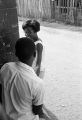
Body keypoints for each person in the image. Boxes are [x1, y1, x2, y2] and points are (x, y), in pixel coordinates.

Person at [0, 37, 50, 120]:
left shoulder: (6, 68)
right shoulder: (37, 83)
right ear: (34, 54)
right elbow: (37, 111)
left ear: (16, 53)